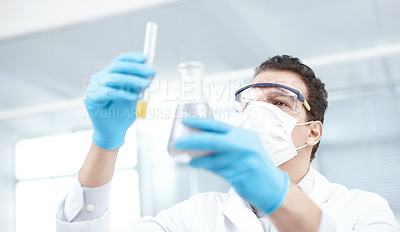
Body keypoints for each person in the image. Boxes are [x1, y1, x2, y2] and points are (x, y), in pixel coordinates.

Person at [56, 53, 398, 232]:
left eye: (279, 103)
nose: (258, 114)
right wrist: (106, 142)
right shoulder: (194, 216)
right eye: (250, 103)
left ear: (313, 131)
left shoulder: (363, 209)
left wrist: (279, 197)